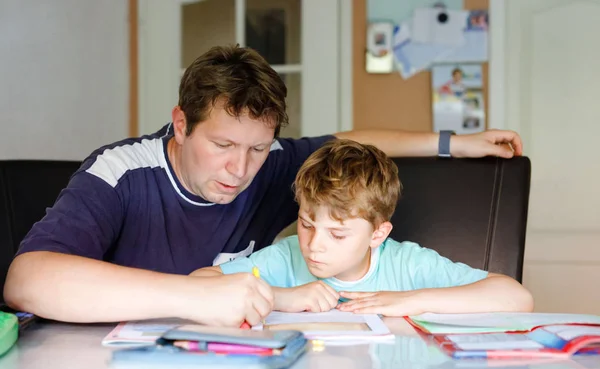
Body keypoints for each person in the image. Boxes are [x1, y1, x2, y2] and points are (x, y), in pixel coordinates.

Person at [4, 45, 524, 327]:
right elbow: (27, 280)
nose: (240, 169)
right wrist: (193, 296)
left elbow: (348, 139)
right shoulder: (121, 172)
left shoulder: (276, 163)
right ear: (181, 125)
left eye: (257, 148)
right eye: (223, 146)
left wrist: (454, 142)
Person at [192, 139, 533, 316]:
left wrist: (411, 301)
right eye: (307, 224)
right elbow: (198, 284)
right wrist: (283, 298)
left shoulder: (407, 265)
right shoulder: (287, 256)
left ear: (378, 234)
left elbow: (517, 297)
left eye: (337, 234)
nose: (314, 245)